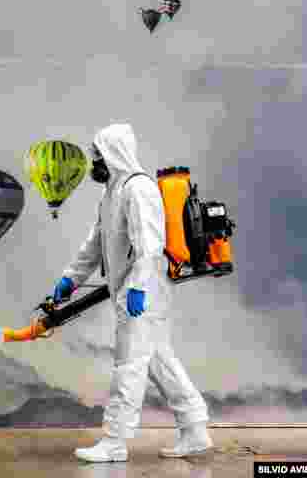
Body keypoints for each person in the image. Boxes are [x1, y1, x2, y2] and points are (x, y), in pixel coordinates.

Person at [53, 123, 212, 462]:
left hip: (143, 292)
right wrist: (70, 279)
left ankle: (114, 442)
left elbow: (150, 247)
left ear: (113, 154)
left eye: (97, 155)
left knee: (129, 365)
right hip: (132, 290)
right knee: (157, 360)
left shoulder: (139, 189)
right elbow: (94, 246)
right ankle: (195, 428)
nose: (92, 163)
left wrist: (138, 288)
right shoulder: (111, 193)